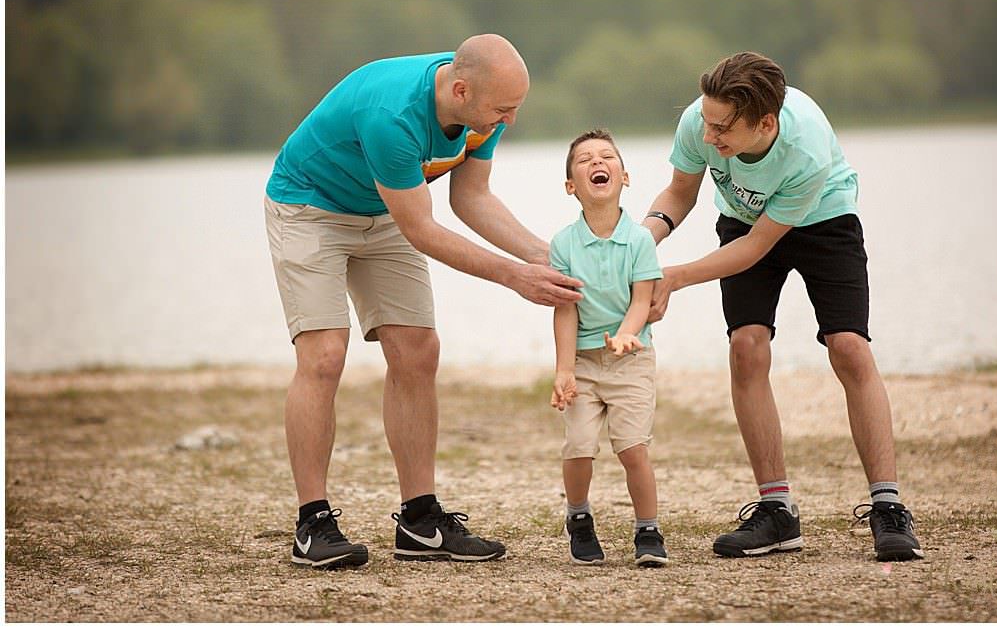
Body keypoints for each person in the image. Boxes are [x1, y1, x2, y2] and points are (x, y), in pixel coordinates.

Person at [264, 34, 583, 569]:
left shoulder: (484, 106)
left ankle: (420, 522)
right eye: (503, 111)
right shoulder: (393, 114)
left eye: (515, 109)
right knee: (323, 356)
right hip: (309, 207)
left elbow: (471, 197)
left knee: (417, 351)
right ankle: (312, 524)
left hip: (384, 211)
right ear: (460, 90)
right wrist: (514, 277)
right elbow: (421, 229)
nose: (508, 122)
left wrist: (545, 256)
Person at [641, 52, 924, 562]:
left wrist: (676, 277)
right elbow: (680, 192)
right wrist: (642, 243)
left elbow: (755, 250)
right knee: (746, 348)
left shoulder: (804, 149)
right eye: (706, 123)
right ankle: (777, 513)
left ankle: (888, 507)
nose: (709, 138)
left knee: (848, 348)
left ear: (765, 123)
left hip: (825, 218)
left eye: (722, 129)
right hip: (743, 218)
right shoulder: (699, 119)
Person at [549, 129, 668, 568]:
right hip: (582, 359)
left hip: (631, 358)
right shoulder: (562, 244)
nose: (597, 163)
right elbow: (565, 310)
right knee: (578, 443)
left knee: (632, 446)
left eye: (606, 157)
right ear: (571, 186)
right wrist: (564, 370)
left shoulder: (639, 240)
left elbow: (642, 300)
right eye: (584, 160)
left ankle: (648, 529)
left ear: (625, 176)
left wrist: (625, 334)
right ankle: (578, 518)